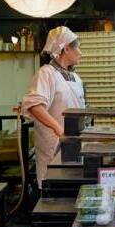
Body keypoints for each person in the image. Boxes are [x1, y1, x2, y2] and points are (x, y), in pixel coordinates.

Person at [21, 26, 85, 188]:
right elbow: (34, 105)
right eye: (78, 47)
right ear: (66, 48)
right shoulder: (46, 73)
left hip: (74, 144)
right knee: (53, 189)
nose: (81, 52)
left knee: (72, 186)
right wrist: (58, 129)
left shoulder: (76, 78)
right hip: (54, 145)